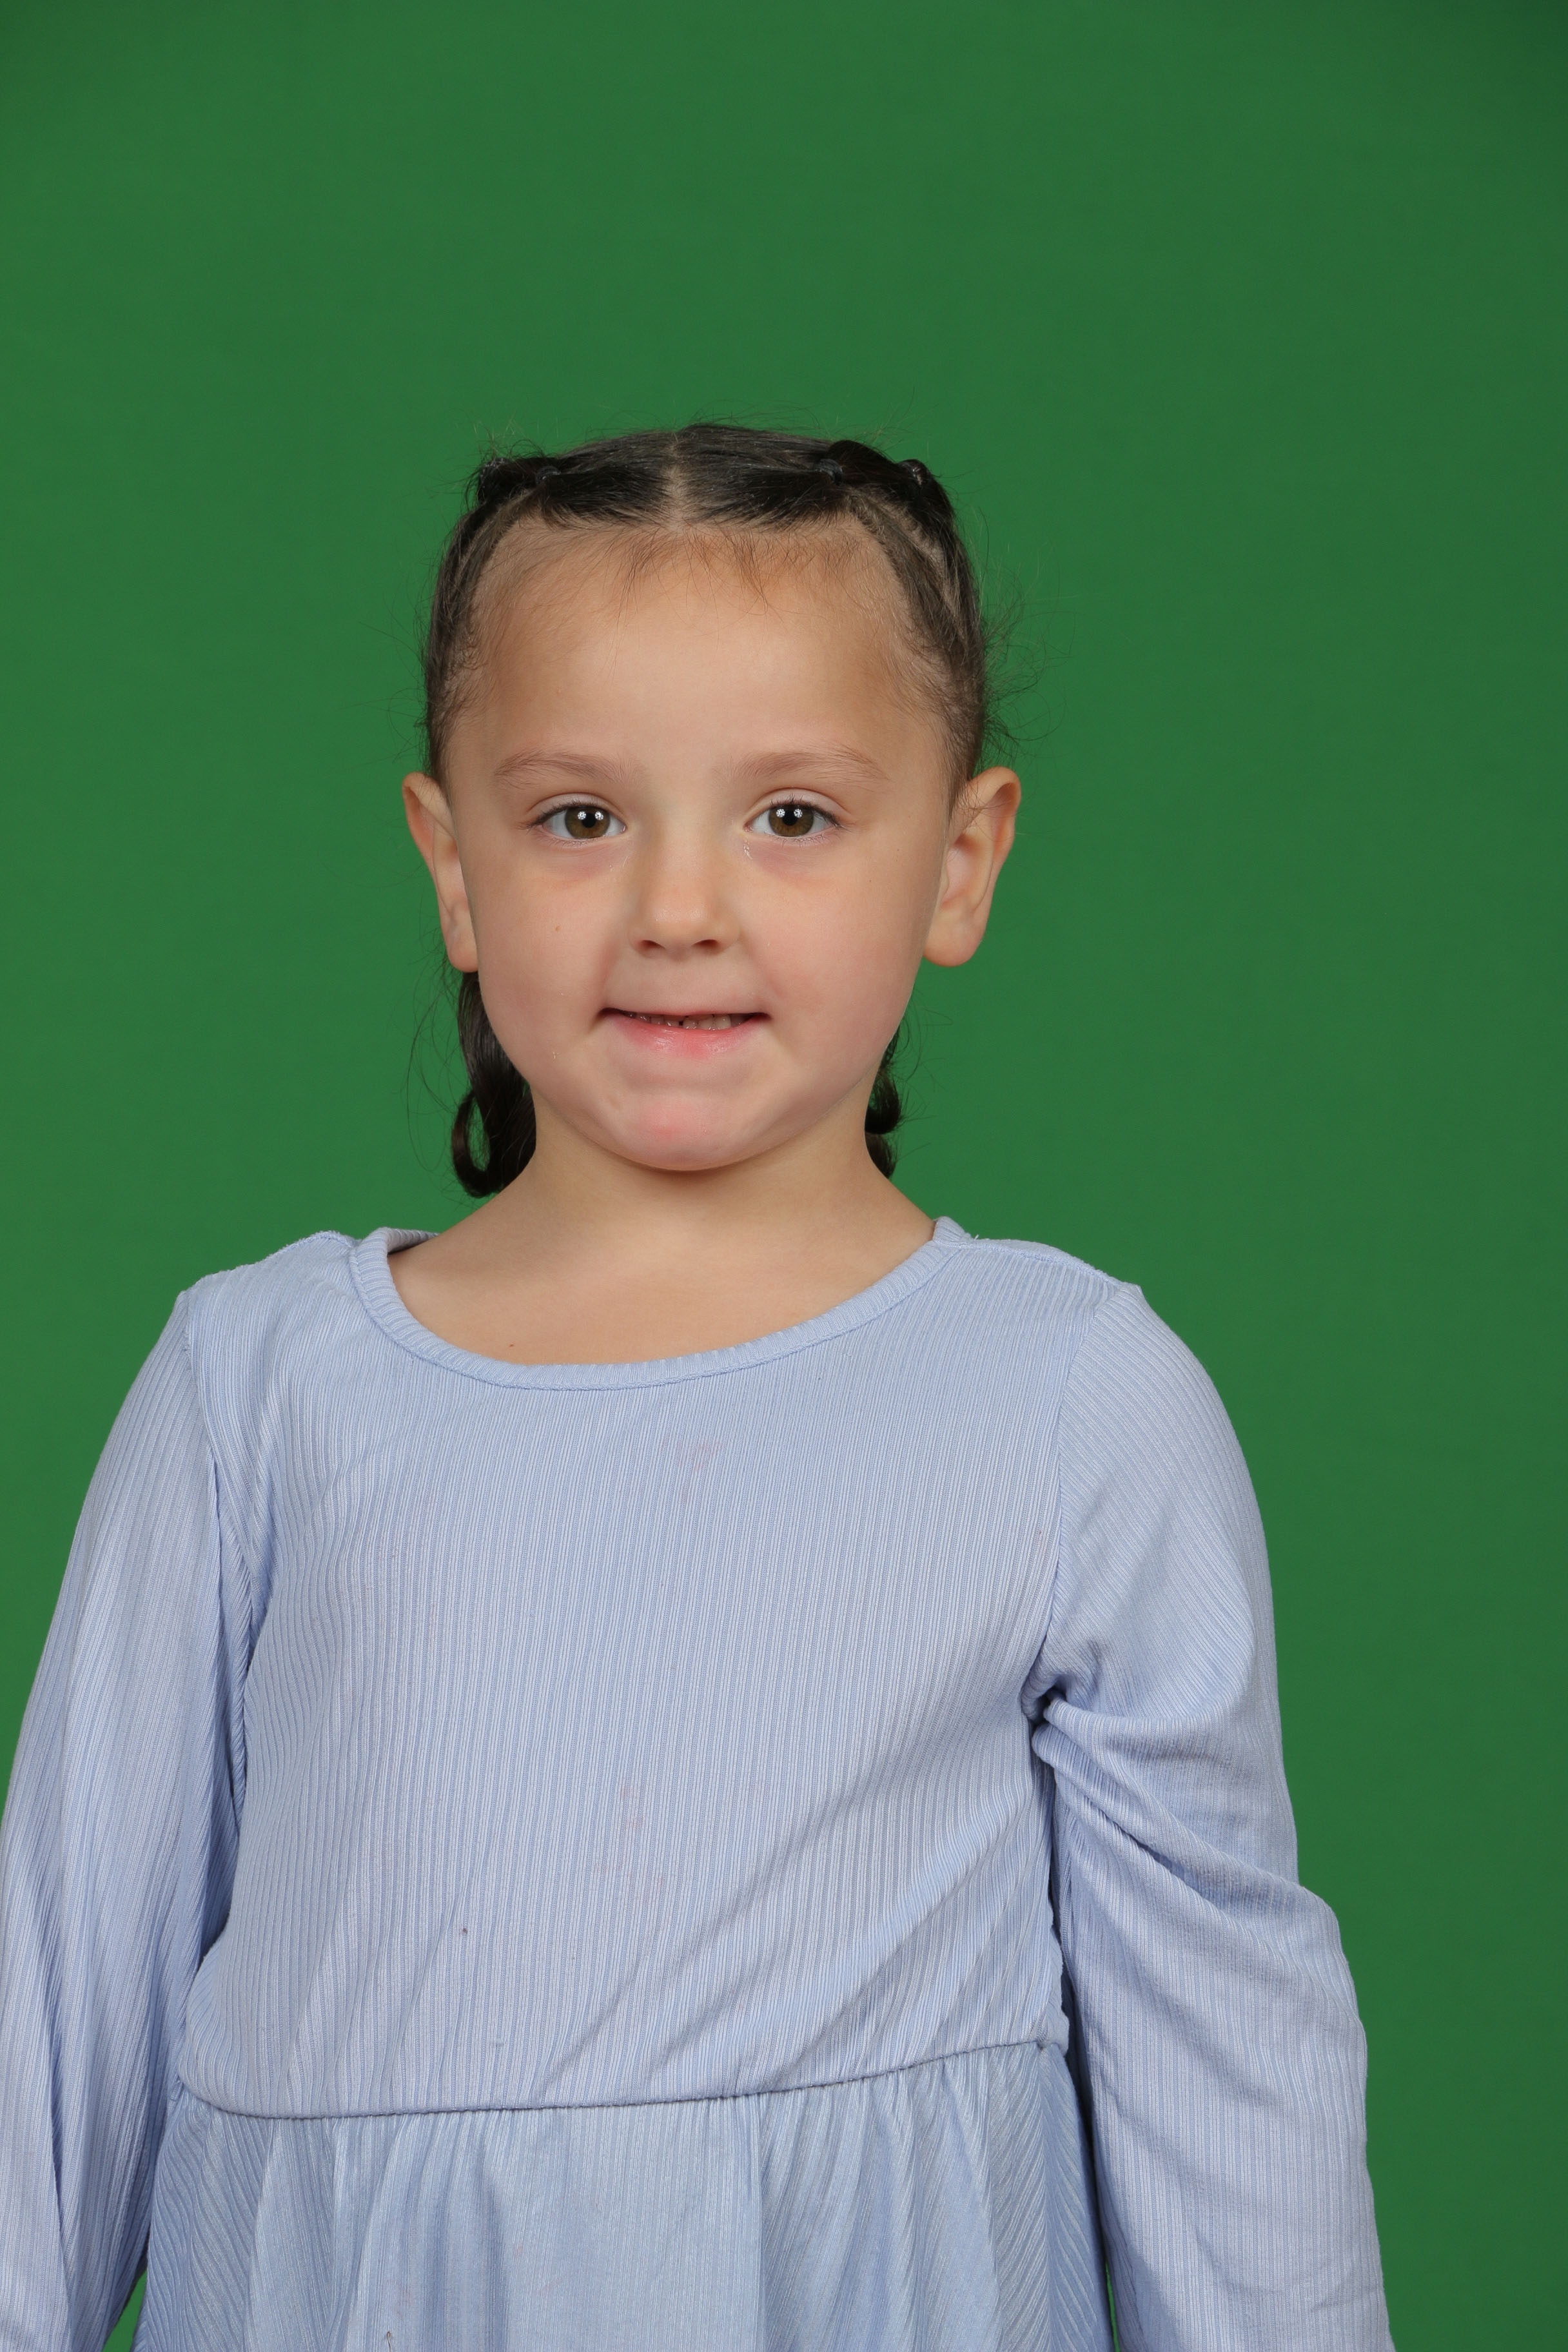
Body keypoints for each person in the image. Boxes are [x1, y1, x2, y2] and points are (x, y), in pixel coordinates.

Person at [0, 425, 1393, 2351]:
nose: (677, 906)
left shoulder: (1070, 1402)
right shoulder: (260, 1394)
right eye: (579, 816)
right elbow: (49, 2043)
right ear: (454, 867)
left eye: (792, 816)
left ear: (962, 860)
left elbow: (1236, 2099)